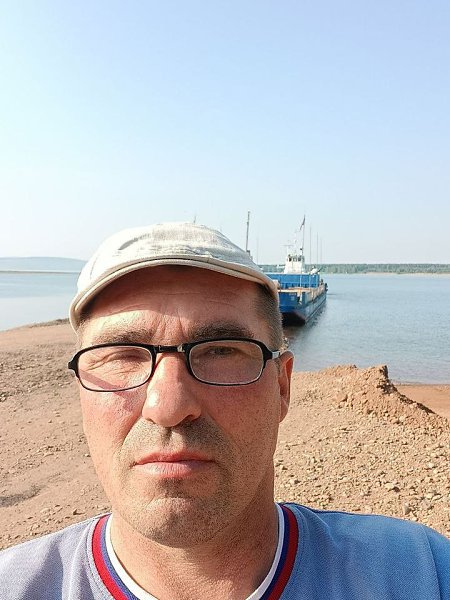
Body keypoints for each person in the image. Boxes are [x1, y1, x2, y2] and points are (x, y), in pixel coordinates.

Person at [0, 221, 448, 600]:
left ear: (282, 386)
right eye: (123, 355)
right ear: (82, 392)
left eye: (221, 350)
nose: (168, 406)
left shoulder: (423, 573)